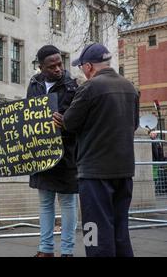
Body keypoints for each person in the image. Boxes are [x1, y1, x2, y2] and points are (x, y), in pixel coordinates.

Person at [53, 43, 139, 257]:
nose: (81, 70)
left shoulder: (89, 88)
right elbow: (134, 124)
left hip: (95, 172)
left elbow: (71, 123)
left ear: (89, 66)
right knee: (121, 229)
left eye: (81, 66)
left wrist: (61, 120)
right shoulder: (130, 87)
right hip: (124, 170)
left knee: (94, 231)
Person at [27, 45, 79, 257]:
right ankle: (45, 249)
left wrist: (65, 122)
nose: (58, 68)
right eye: (52, 66)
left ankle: (67, 251)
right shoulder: (34, 84)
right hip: (41, 153)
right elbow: (25, 116)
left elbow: (80, 120)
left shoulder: (73, 86)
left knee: (67, 202)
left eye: (60, 64)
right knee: (45, 202)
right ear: (41, 67)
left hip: (66, 154)